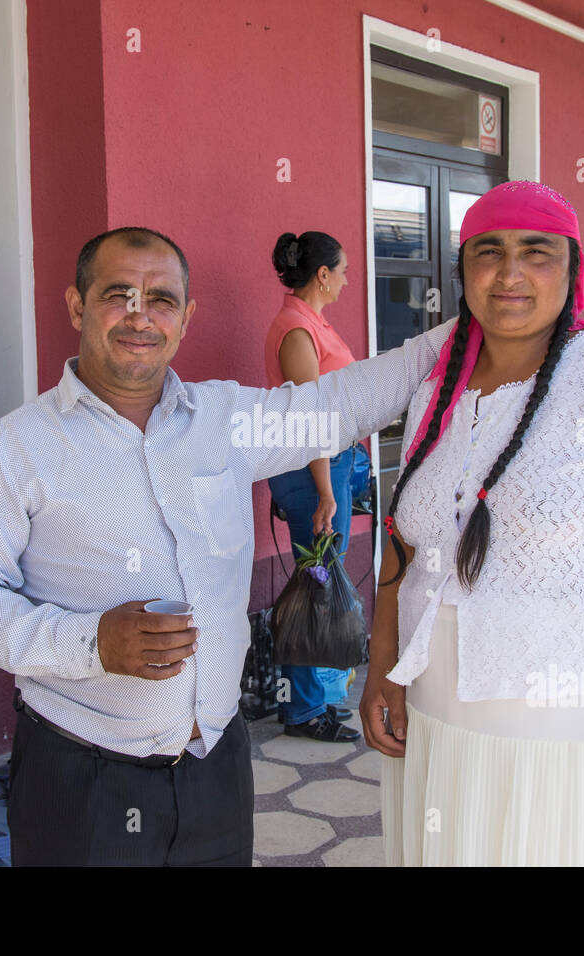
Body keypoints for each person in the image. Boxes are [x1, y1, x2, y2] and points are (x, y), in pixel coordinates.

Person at [0, 226, 456, 866]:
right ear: (76, 306)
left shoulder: (224, 420)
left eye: (162, 299)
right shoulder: (10, 449)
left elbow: (341, 403)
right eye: (116, 294)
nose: (139, 315)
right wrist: (89, 642)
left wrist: (475, 323)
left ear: (186, 317)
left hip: (214, 765)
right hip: (82, 774)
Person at [360, 181, 584, 866]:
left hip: (577, 733)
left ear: (572, 269)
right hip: (439, 725)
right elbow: (405, 543)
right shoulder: (436, 391)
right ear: (463, 269)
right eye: (488, 252)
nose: (510, 273)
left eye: (538, 252)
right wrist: (383, 665)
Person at [264, 231, 360, 742]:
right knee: (315, 582)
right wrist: (326, 490)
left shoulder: (311, 323)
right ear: (322, 275)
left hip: (330, 466)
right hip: (311, 471)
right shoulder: (296, 329)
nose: (346, 280)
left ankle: (313, 699)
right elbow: (311, 419)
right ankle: (303, 709)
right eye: (342, 270)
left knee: (320, 579)